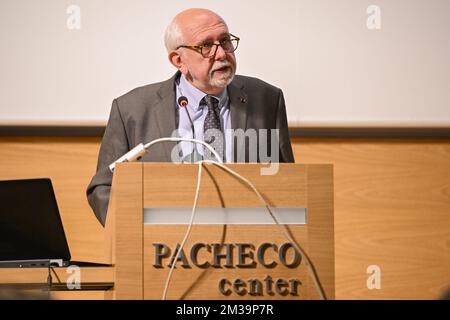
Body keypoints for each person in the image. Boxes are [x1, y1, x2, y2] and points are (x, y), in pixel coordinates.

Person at [87, 8, 294, 226]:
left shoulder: (266, 99)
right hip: (163, 250)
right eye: (206, 46)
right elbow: (104, 187)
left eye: (225, 41)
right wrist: (134, 230)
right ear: (178, 60)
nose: (222, 54)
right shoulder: (133, 109)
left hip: (248, 247)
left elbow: (288, 182)